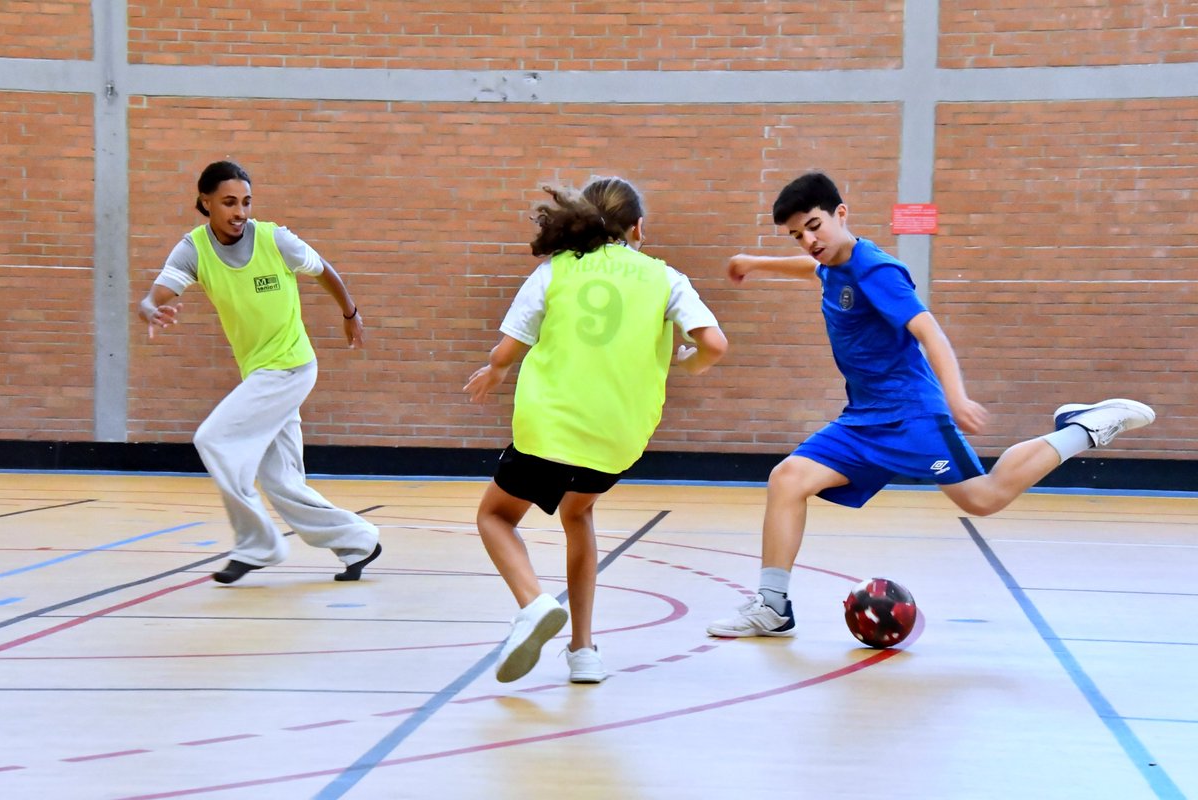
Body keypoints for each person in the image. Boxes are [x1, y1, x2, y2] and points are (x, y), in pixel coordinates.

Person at [707, 171, 1155, 637]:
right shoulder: (832, 263)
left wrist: (956, 397)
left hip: (911, 415)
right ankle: (772, 606)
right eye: (797, 234)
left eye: (814, 226)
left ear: (841, 213)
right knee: (788, 479)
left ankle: (1083, 428)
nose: (808, 241)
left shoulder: (876, 270)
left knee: (983, 498)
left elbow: (929, 331)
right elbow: (814, 270)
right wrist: (754, 262)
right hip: (863, 419)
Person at [466, 177, 728, 683]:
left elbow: (510, 345)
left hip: (551, 428)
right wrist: (690, 362)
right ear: (638, 228)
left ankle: (533, 604)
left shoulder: (556, 270)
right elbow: (714, 344)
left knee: (495, 516)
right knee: (578, 512)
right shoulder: (665, 277)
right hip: (616, 440)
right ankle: (583, 651)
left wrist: (495, 371)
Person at [137, 160, 382, 585]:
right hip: (261, 375)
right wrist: (150, 311)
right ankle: (358, 541)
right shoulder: (194, 249)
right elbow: (152, 297)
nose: (240, 212)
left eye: (246, 202)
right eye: (229, 202)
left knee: (212, 439)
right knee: (282, 481)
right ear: (205, 202)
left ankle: (257, 545)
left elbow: (323, 270)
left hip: (289, 366)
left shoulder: (274, 239)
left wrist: (350, 313)